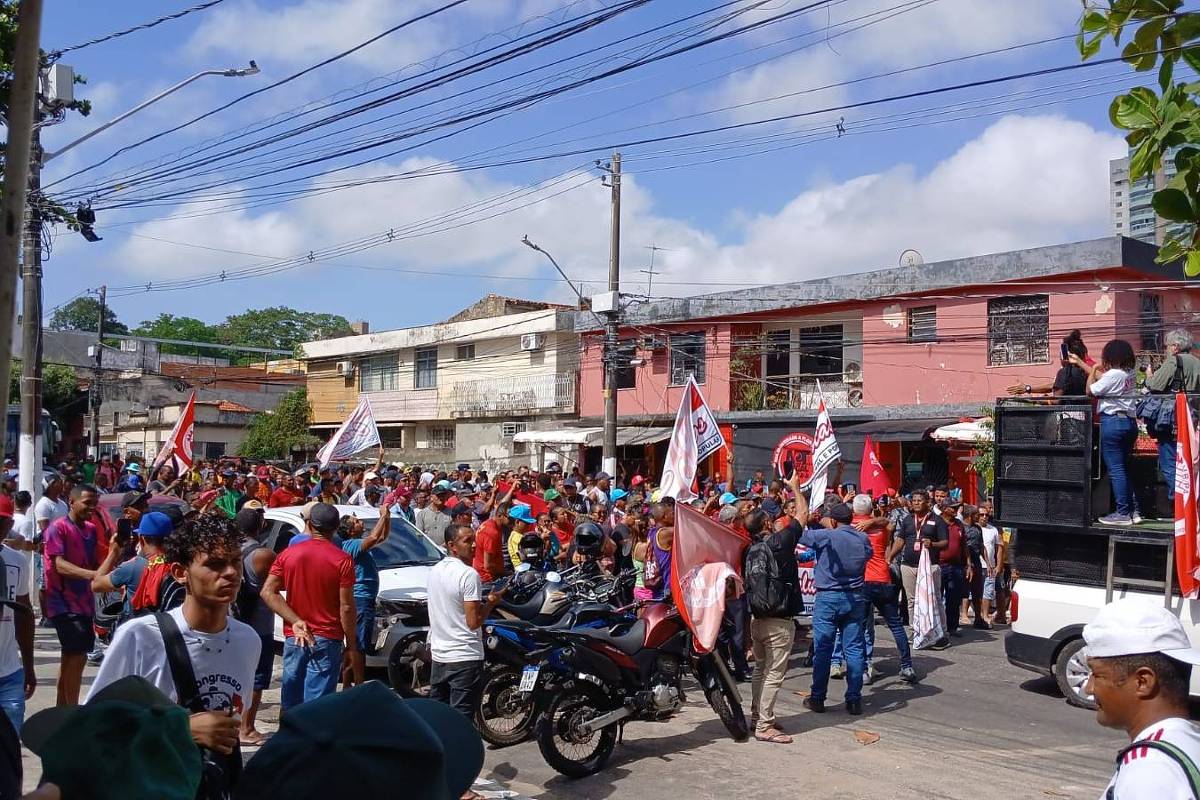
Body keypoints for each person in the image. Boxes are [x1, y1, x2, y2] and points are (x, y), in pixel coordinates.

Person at [87, 514, 261, 792]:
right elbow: (93, 728)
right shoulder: (141, 636)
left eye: (235, 561)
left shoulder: (248, 641)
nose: (229, 573)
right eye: (214, 564)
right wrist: (182, 729)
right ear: (181, 573)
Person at [1083, 599, 1200, 798]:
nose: (1089, 688)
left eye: (1097, 675)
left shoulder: (1151, 767)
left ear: (1142, 682)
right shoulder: (1189, 742)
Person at [261, 502, 362, 710]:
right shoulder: (342, 560)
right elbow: (346, 607)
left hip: (295, 636)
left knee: (290, 699)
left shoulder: (288, 554)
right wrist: (351, 645)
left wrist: (295, 620)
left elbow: (267, 592)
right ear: (335, 528)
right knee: (318, 706)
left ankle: (290, 739)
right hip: (327, 637)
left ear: (309, 524)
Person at [799, 501, 872, 716]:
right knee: (854, 649)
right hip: (855, 597)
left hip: (829, 597)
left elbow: (800, 535)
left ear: (832, 520)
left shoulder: (827, 536)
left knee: (823, 648)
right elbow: (867, 556)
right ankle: (854, 699)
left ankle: (818, 698)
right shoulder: (863, 538)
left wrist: (810, 518)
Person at [428, 524, 506, 720]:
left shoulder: (435, 570)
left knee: (439, 719)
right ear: (452, 545)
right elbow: (473, 622)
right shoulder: (469, 575)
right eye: (467, 541)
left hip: (440, 656)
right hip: (464, 658)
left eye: (474, 540)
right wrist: (490, 603)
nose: (473, 545)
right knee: (461, 723)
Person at [743, 506, 801, 743]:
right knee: (774, 673)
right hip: (778, 621)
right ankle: (764, 725)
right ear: (766, 524)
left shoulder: (749, 549)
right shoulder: (778, 543)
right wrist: (796, 489)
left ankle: (758, 717)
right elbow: (802, 517)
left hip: (757, 619)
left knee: (760, 669)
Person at [43, 484, 102, 707]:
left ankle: (61, 710)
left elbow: (94, 561)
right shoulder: (57, 528)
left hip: (84, 603)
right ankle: (72, 711)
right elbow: (59, 565)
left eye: (95, 503)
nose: (92, 507)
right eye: (87, 502)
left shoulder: (91, 528)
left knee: (71, 657)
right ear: (72, 501)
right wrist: (93, 574)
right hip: (63, 603)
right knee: (77, 657)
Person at [851, 495, 918, 685]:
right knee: (896, 626)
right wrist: (874, 520)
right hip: (882, 578)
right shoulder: (881, 528)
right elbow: (889, 522)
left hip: (863, 581)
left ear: (854, 510)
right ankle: (906, 665)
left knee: (860, 627)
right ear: (871, 509)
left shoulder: (849, 526)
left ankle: (864, 670)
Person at [1080, 339, 1141, 526]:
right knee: (1123, 468)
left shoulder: (1113, 374)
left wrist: (1092, 370)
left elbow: (1089, 391)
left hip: (1113, 422)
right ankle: (1134, 510)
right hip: (1129, 423)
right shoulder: (1129, 374)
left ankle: (1123, 513)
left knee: (1116, 469)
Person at [232, 506, 276, 747]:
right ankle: (246, 729)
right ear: (259, 527)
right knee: (256, 678)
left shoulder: (226, 548)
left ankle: (232, 722)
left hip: (230, 621)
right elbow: (276, 585)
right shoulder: (262, 554)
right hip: (258, 624)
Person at [1145, 328, 1200, 502]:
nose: (1166, 349)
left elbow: (1155, 385)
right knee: (1188, 462)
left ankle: (1178, 501)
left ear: (1175, 347)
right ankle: (1191, 503)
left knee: (1170, 462)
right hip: (1191, 418)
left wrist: (1148, 375)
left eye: (1167, 346)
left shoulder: (1173, 361)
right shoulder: (1197, 362)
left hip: (1171, 419)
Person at [90, 510, 178, 618]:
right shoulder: (179, 565)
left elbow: (96, 585)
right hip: (170, 628)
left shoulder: (132, 567)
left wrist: (113, 553)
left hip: (139, 630)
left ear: (141, 539)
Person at [896, 489, 948, 648]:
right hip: (908, 566)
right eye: (914, 500)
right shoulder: (907, 520)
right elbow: (900, 540)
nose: (916, 503)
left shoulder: (937, 520)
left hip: (930, 566)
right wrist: (889, 556)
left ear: (927, 502)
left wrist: (933, 544)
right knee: (911, 601)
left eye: (919, 500)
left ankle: (941, 632)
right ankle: (915, 629)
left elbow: (945, 543)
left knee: (934, 599)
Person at [0, 496, 34, 732]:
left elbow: (24, 614)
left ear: (9, 523)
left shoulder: (17, 561)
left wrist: (29, 666)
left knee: (10, 748)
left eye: (2, 521)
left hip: (9, 672)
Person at [339, 507, 390, 660]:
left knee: (360, 639)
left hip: (366, 598)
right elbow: (374, 537)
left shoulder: (358, 543)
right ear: (350, 531)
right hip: (360, 598)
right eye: (356, 522)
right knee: (359, 642)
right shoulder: (351, 544)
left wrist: (386, 518)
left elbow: (381, 537)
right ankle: (357, 676)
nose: (361, 522)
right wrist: (382, 517)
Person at [1006, 329, 1090, 399]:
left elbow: (1056, 400)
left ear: (1065, 355)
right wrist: (1028, 388)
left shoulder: (1065, 372)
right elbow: (1055, 385)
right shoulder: (1087, 373)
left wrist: (1038, 398)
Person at [472, 503, 511, 583]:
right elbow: (488, 565)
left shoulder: (488, 523)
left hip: (484, 572)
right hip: (488, 577)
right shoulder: (492, 533)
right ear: (500, 516)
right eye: (510, 518)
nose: (512, 521)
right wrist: (504, 572)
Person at [978, 502, 1001, 624]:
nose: (984, 517)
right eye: (981, 514)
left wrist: (998, 565)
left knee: (988, 592)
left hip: (990, 566)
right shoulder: (974, 528)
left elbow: (998, 549)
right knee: (975, 592)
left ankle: (985, 615)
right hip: (977, 565)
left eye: (986, 514)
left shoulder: (994, 530)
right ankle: (976, 615)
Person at [416, 483, 454, 548]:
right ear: (431, 497)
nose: (441, 498)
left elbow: (453, 533)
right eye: (438, 495)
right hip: (428, 550)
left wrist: (442, 547)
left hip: (446, 550)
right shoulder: (422, 514)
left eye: (443, 495)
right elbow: (419, 534)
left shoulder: (451, 513)